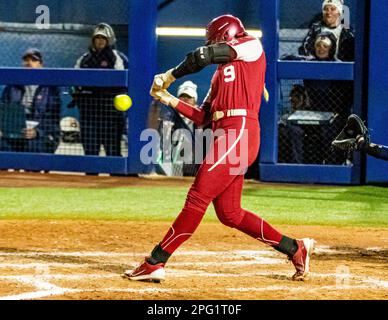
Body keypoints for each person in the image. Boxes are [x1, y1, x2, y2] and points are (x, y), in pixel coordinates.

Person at [125, 15, 315, 283]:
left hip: (239, 130)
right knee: (230, 213)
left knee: (197, 197)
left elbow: (201, 56)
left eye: (215, 40)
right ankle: (295, 248)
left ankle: (155, 261)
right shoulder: (218, 77)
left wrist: (168, 76)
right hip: (223, 134)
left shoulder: (251, 45)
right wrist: (167, 98)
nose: (212, 45)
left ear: (226, 35)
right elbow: (202, 117)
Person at [71, 23, 128, 157]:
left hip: (111, 115)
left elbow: (124, 85)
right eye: (97, 38)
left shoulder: (118, 58)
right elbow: (73, 82)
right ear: (93, 40)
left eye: (104, 38)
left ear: (110, 40)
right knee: (90, 152)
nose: (100, 40)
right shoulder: (84, 59)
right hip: (89, 114)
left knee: (113, 152)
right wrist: (79, 99)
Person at [0, 48, 60, 153]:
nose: (29, 63)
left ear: (41, 64)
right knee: (3, 146)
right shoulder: (12, 85)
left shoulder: (50, 88)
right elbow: (3, 108)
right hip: (15, 128)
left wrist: (38, 132)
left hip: (38, 128)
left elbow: (53, 117)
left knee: (33, 147)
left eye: (33, 60)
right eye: (26, 60)